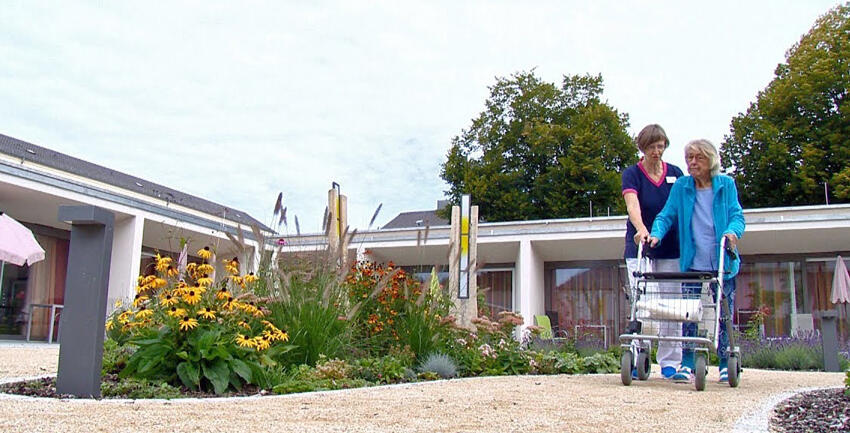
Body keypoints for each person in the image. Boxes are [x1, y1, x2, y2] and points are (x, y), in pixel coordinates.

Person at [649, 139, 745, 383]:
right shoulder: (682, 186)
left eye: (698, 158)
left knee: (724, 314)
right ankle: (688, 362)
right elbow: (666, 215)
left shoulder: (725, 185)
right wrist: (657, 233)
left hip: (722, 263)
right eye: (689, 158)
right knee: (689, 314)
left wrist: (732, 232)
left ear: (710, 160)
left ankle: (725, 362)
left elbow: (737, 216)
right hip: (693, 262)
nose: (692, 163)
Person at [622, 124, 684, 379]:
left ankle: (671, 362)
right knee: (642, 304)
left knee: (671, 305)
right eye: (651, 147)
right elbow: (632, 205)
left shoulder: (676, 174)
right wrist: (641, 229)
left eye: (660, 146)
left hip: (671, 247)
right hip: (640, 246)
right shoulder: (632, 174)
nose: (657, 152)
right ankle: (639, 357)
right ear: (643, 148)